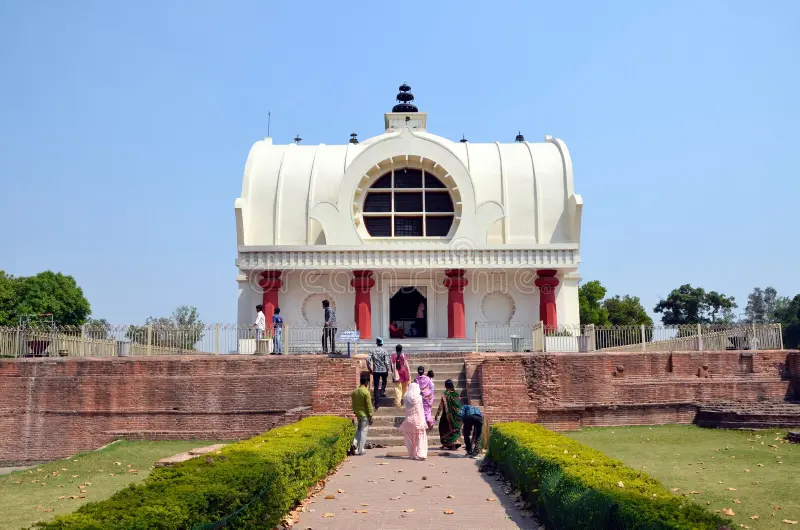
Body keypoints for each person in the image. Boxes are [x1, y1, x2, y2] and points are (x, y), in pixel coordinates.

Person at [398, 381, 428, 460]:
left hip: (408, 420)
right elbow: (420, 409)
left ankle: (412, 454)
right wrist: (423, 421)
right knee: (420, 438)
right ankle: (421, 454)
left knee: (409, 439)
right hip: (417, 420)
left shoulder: (405, 397)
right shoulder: (419, 398)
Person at [434, 379, 463, 450]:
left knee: (442, 427)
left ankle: (447, 443)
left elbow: (441, 405)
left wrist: (437, 414)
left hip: (447, 416)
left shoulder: (445, 394)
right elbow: (458, 405)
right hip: (456, 416)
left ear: (446, 386)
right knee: (454, 429)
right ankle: (454, 443)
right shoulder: (456, 394)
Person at [350, 374, 373, 456]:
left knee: (359, 430)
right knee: (364, 431)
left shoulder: (355, 391)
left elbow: (353, 404)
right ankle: (361, 449)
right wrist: (370, 415)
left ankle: (354, 444)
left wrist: (355, 412)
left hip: (358, 414)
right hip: (364, 415)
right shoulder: (366, 392)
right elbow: (369, 405)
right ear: (366, 383)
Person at [367, 337, 391, 409]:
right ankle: (382, 391)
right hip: (383, 370)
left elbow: (368, 360)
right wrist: (387, 368)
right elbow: (386, 362)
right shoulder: (385, 351)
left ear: (376, 343)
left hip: (376, 371)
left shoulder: (373, 351)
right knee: (384, 381)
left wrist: (370, 368)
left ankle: (376, 403)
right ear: (382, 343)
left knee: (376, 386)